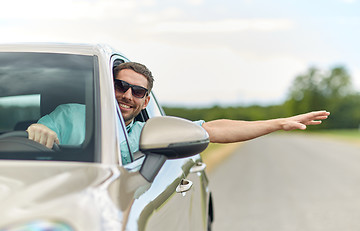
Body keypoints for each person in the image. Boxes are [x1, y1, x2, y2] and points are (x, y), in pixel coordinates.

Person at [27, 62, 330, 164]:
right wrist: (41, 134)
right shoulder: (69, 115)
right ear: (107, 87)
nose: (127, 95)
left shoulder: (150, 130)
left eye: (138, 91)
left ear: (146, 101)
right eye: (119, 85)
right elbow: (40, 136)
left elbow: (214, 129)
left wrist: (278, 122)